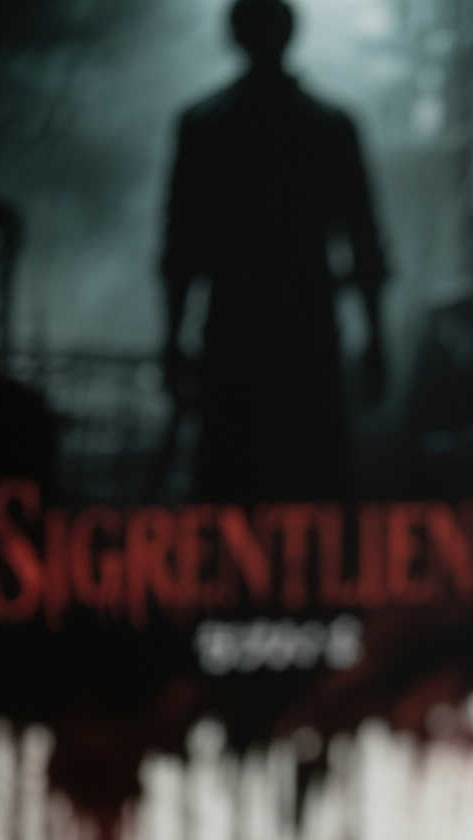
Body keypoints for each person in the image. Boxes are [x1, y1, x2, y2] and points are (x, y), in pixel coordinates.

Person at [159, 0, 388, 501]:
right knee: (311, 485)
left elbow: (181, 250)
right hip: (308, 333)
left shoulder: (204, 127)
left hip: (233, 332)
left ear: (234, 37)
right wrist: (376, 340)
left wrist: (172, 342)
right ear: (290, 36)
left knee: (232, 486)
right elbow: (365, 243)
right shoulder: (330, 126)